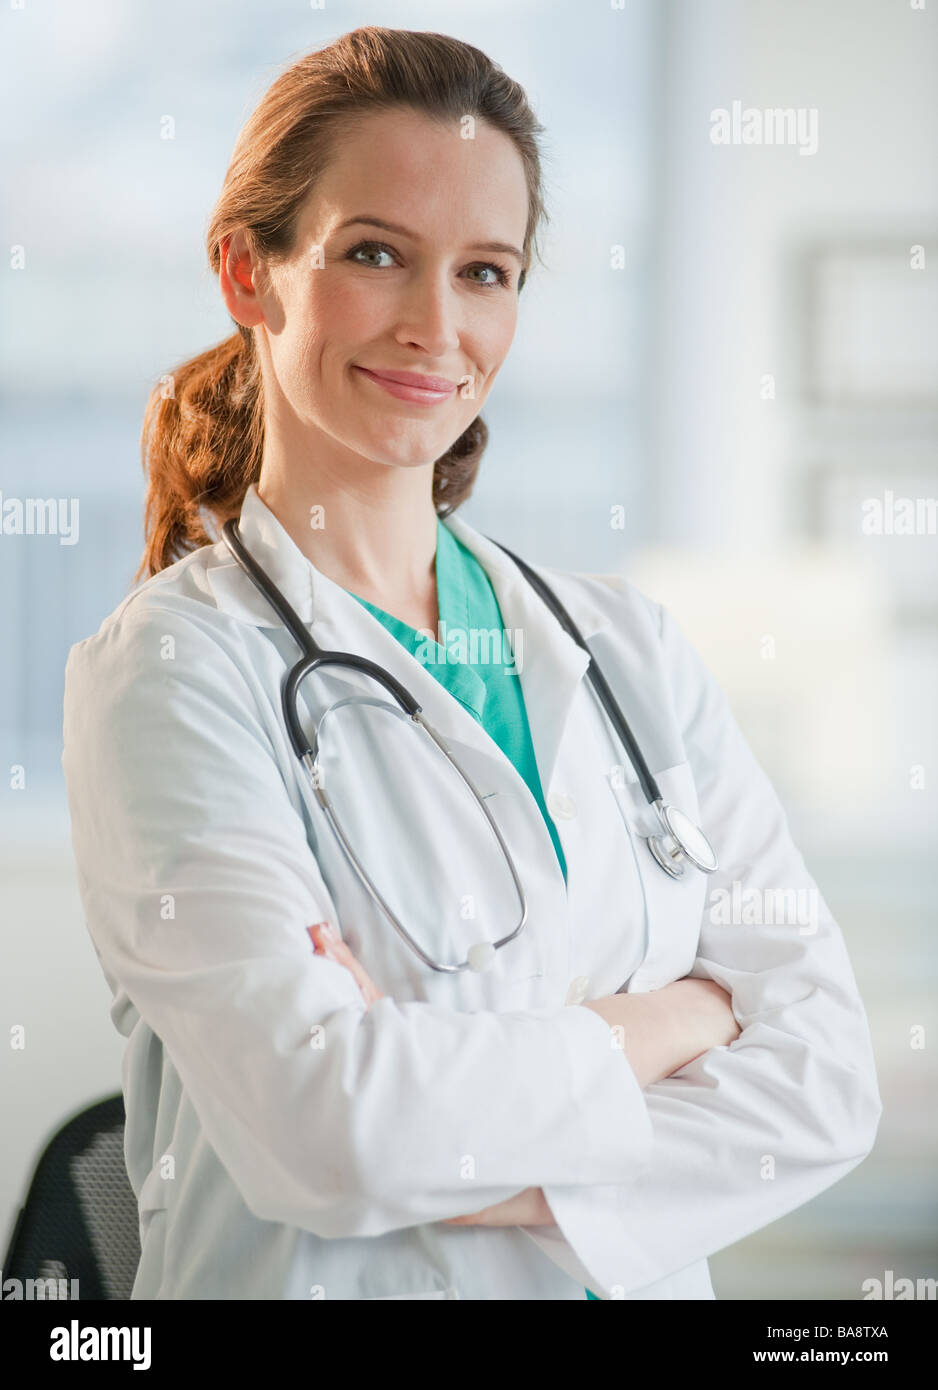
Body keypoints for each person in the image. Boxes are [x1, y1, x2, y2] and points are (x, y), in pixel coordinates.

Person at [61, 26, 881, 1300]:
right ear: (246, 272)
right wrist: (675, 1020)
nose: (435, 327)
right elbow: (324, 1129)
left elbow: (825, 1078)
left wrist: (437, 1117)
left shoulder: (626, 650)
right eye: (375, 254)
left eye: (485, 271)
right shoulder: (173, 669)